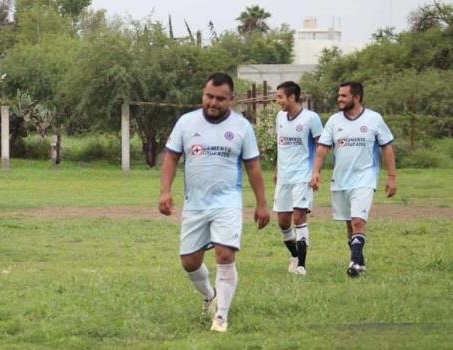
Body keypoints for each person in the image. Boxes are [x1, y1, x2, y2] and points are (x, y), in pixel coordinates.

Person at [159, 73, 270, 333]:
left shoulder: (242, 127)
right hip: (195, 204)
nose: (213, 102)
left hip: (227, 201)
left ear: (231, 99)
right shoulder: (186, 123)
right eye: (209, 96)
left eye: (220, 98)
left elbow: (253, 167)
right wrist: (165, 192)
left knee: (225, 254)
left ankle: (221, 317)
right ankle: (210, 296)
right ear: (203, 93)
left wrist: (262, 204)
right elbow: (171, 159)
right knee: (189, 262)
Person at [310, 81, 396, 277]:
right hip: (340, 179)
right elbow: (322, 149)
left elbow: (387, 148)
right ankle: (360, 260)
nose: (339, 99)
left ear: (356, 97)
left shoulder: (374, 119)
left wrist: (392, 177)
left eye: (343, 96)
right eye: (338, 95)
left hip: (365, 177)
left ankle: (354, 264)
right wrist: (315, 172)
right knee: (349, 223)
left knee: (358, 221)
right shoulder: (333, 121)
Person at [273, 81, 323, 275]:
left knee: (298, 216)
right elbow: (281, 145)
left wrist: (316, 172)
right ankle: (294, 255)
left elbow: (321, 147)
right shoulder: (280, 117)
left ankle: (301, 265)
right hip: (285, 176)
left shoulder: (312, 118)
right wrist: (277, 169)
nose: (277, 101)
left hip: (303, 174)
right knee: (283, 221)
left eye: (280, 97)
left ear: (292, 97)